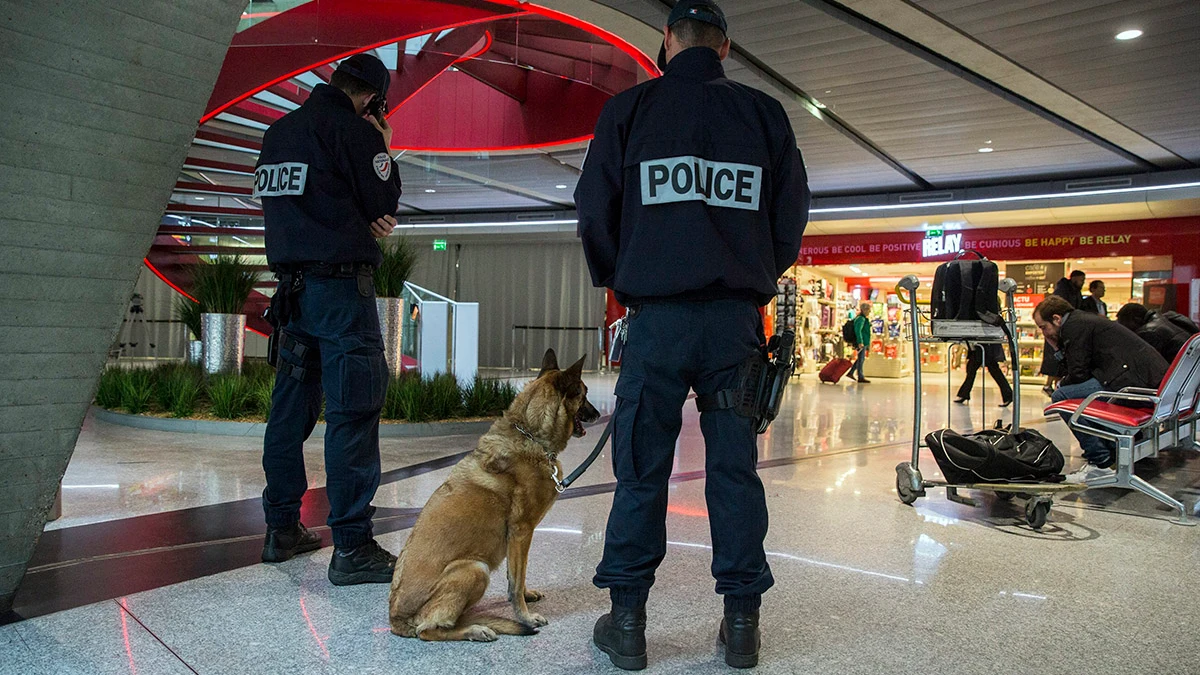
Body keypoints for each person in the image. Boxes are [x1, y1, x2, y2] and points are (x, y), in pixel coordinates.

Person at [575, 1, 810, 668]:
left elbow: (594, 208)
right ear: (726, 48)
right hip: (736, 326)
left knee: (641, 472)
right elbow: (790, 215)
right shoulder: (764, 116)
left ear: (666, 42)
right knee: (734, 474)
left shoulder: (630, 111)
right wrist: (752, 267)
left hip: (657, 323)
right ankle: (741, 628)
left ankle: (626, 625)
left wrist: (624, 276)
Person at [255, 53, 403, 586]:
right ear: (372, 99)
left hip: (292, 296)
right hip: (341, 295)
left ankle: (281, 528)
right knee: (353, 411)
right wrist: (380, 141)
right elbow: (384, 197)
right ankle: (353, 545)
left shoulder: (278, 135)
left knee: (289, 412)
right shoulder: (355, 131)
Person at [1034, 295, 1168, 483]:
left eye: (1043, 327)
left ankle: (1100, 461)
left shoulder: (1074, 327)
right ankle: (1109, 451)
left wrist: (1057, 357)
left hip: (1130, 383)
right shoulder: (1085, 320)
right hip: (1144, 381)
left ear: (1056, 319)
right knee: (1080, 397)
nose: (1044, 333)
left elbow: (1077, 372)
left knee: (1061, 396)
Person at [1039, 269, 1086, 393]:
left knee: (1059, 360)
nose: (1082, 283)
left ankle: (1054, 386)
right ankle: (1052, 386)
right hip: (1059, 331)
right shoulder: (1065, 292)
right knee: (1058, 359)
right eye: (1081, 280)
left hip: (1061, 330)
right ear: (1074, 278)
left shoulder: (1071, 291)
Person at [1115, 302, 1197, 363]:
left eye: (1123, 323)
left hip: (1181, 374)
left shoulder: (1147, 332)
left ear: (1135, 319)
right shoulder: (1167, 318)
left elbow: (1146, 365)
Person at [953, 342, 1013, 407]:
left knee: (993, 370)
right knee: (974, 369)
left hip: (985, 346)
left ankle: (964, 394)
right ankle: (964, 394)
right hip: (982, 346)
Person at [847, 302, 872, 384]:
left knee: (861, 358)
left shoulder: (863, 318)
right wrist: (860, 341)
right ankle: (860, 376)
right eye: (868, 309)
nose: (869, 311)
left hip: (863, 341)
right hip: (861, 342)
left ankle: (851, 372)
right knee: (861, 359)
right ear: (864, 310)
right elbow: (858, 331)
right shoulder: (861, 319)